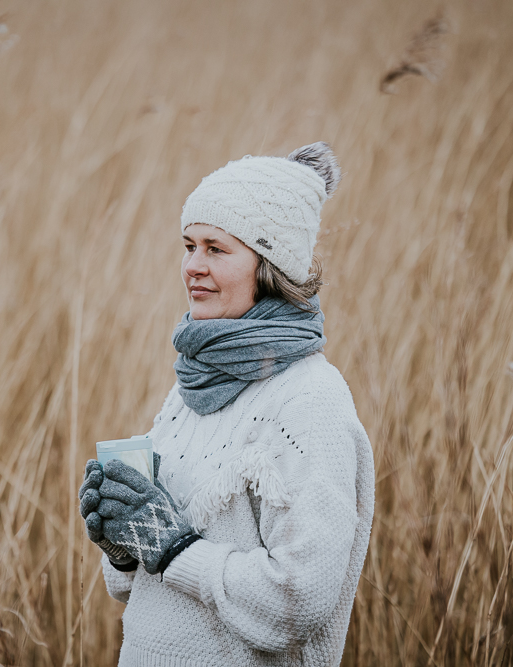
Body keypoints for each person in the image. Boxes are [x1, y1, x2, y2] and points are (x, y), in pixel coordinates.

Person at [78, 143, 375, 666]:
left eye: (216, 249)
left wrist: (173, 549)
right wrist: (125, 544)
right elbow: (141, 587)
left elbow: (299, 599)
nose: (192, 266)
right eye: (188, 245)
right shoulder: (194, 385)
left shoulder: (311, 401)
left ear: (269, 267)